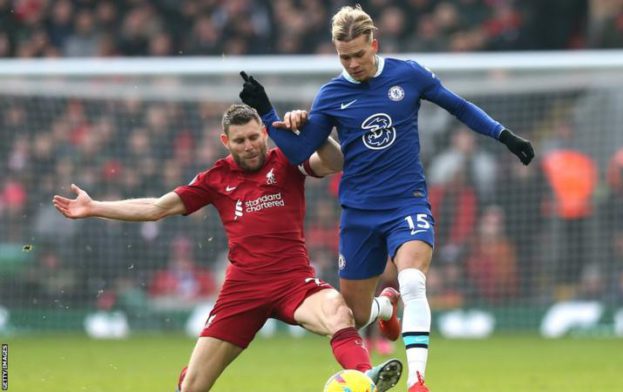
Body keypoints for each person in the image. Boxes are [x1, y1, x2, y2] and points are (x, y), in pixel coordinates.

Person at [239, 5, 535, 391]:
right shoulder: (331, 95)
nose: (354, 63)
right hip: (359, 213)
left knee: (412, 280)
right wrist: (266, 111)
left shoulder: (407, 75)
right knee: (352, 314)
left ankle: (417, 380)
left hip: (406, 202)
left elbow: (458, 106)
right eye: (345, 57)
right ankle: (384, 307)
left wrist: (504, 135)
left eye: (360, 54)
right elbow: (299, 153)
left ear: (373, 44)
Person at [52, 103, 403, 392]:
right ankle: (383, 308)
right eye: (240, 140)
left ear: (265, 133)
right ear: (225, 141)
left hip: (294, 281)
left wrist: (313, 133)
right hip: (242, 290)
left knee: (339, 315)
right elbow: (157, 208)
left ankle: (365, 380)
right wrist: (95, 207)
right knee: (192, 387)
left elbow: (336, 163)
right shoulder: (214, 179)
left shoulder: (286, 161)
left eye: (254, 137)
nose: (250, 145)